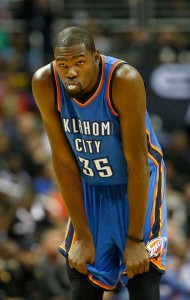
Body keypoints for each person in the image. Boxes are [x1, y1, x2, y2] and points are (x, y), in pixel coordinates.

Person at [32, 26, 168, 300]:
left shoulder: (124, 79)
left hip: (138, 182)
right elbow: (63, 160)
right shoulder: (45, 82)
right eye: (63, 64)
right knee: (80, 272)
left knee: (142, 273)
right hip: (92, 183)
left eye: (79, 62)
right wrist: (82, 235)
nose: (70, 71)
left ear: (96, 58)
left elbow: (137, 163)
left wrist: (134, 240)